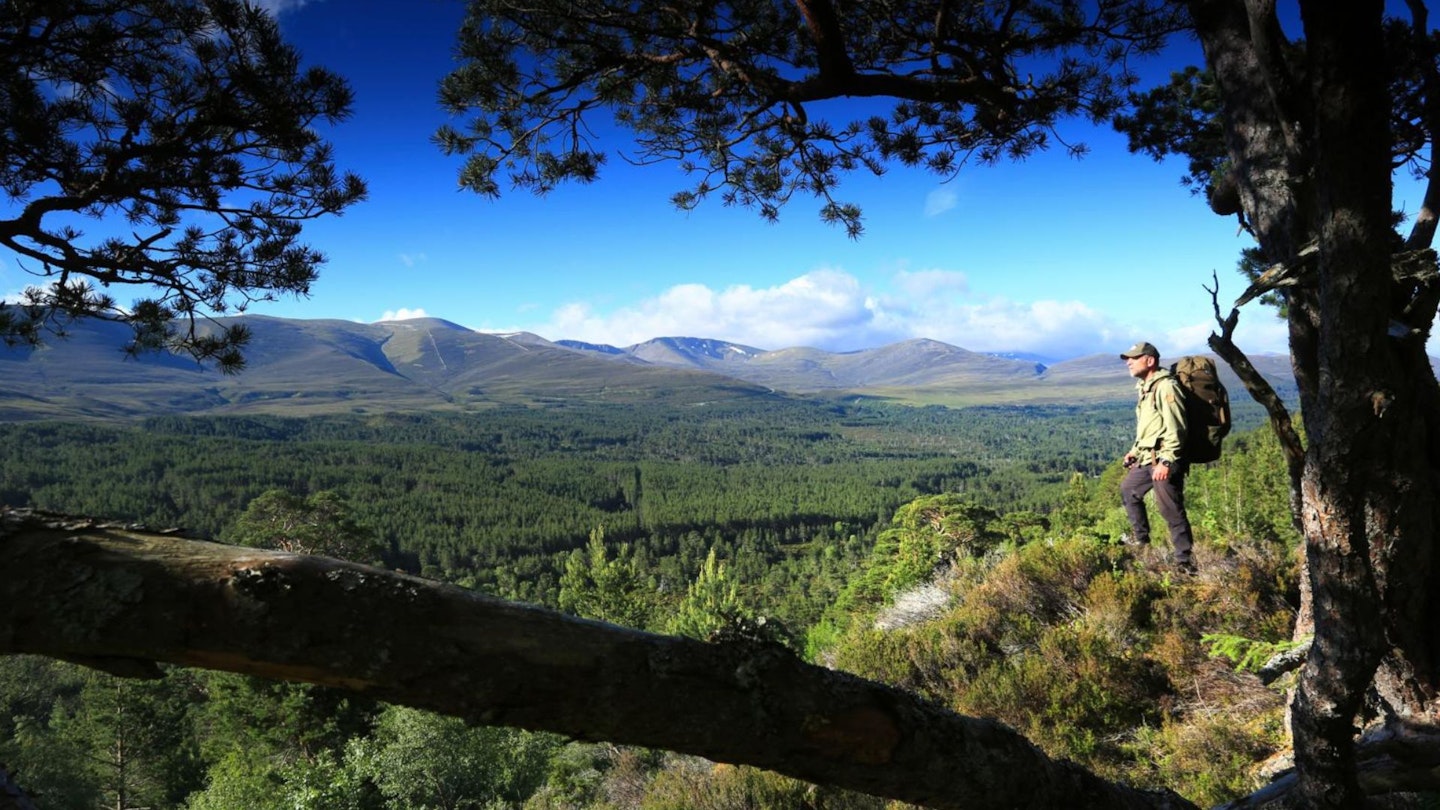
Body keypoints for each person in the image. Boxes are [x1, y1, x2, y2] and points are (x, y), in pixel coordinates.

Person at [1118, 341, 1196, 574]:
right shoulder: (1146, 387)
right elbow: (1150, 427)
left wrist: (1167, 460)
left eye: (1134, 358)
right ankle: (1141, 545)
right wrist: (1135, 451)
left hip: (1164, 459)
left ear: (1150, 360)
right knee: (1129, 490)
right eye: (1128, 359)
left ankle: (1186, 563)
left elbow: (1176, 428)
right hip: (1147, 457)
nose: (1129, 362)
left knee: (1170, 510)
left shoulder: (1166, 387)